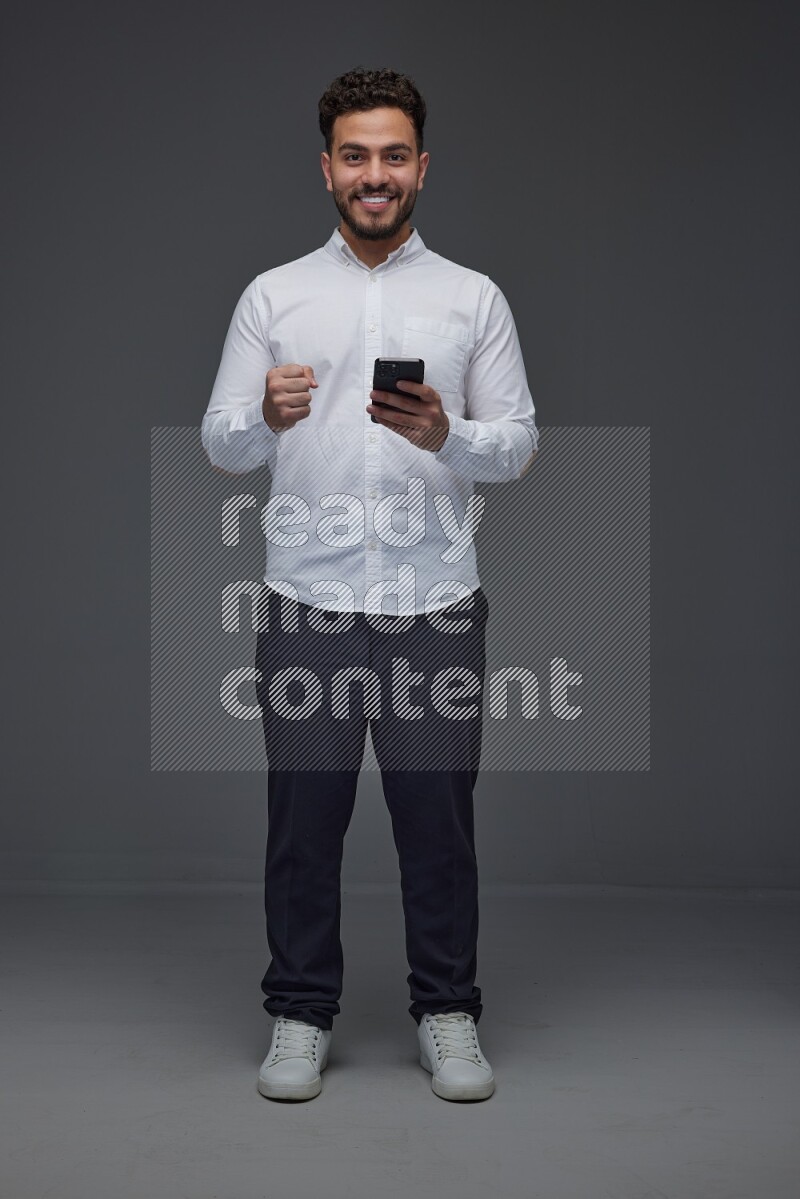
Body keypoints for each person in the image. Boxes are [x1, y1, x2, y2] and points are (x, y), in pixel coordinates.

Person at [201, 66, 539, 1103]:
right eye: (355, 155)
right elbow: (221, 442)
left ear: (421, 167)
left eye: (393, 154)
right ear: (327, 169)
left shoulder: (470, 296)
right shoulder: (274, 294)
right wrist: (266, 415)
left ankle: (446, 1010)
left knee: (435, 817)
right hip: (307, 602)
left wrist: (451, 433)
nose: (374, 174)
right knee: (302, 818)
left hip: (433, 605)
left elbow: (518, 445)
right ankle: (299, 1013)